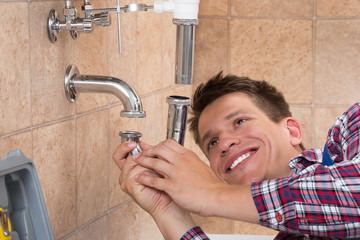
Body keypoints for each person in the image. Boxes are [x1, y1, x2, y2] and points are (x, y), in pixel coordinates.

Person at [113, 71, 360, 240]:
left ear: (291, 131)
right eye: (212, 142)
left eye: (240, 121)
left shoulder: (351, 130)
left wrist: (210, 194)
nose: (224, 144)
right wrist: (164, 210)